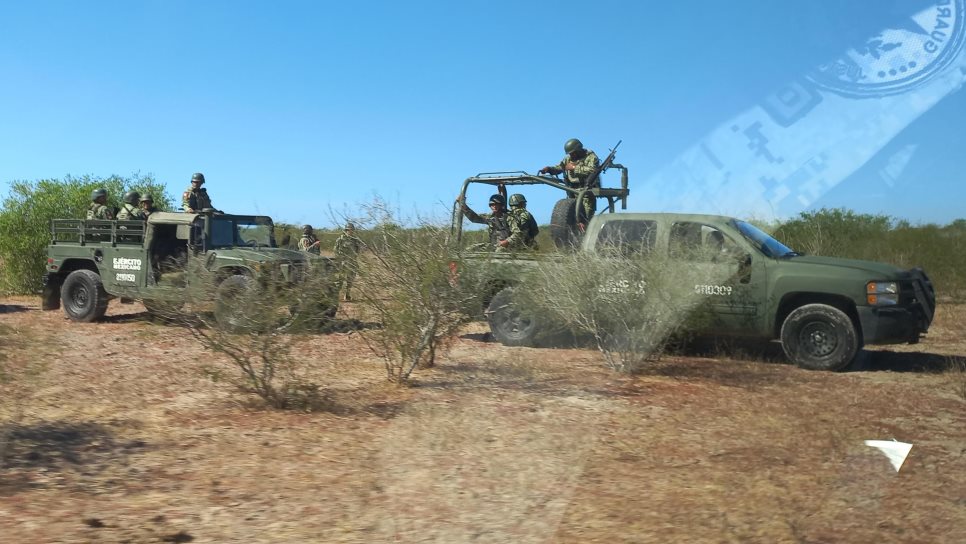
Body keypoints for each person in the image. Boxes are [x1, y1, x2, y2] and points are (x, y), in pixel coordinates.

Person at [538, 138, 601, 228]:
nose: (572, 155)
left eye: (573, 153)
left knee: (586, 218)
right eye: (570, 153)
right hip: (571, 190)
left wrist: (575, 167)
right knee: (571, 217)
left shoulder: (591, 157)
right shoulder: (568, 158)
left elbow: (594, 170)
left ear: (579, 150)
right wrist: (549, 169)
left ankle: (588, 235)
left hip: (586, 190)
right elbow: (560, 168)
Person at [334, 222, 363, 301]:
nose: (351, 231)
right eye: (350, 230)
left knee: (350, 280)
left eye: (352, 230)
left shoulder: (355, 240)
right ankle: (335, 296)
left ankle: (347, 295)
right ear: (346, 230)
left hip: (352, 262)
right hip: (343, 263)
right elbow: (336, 251)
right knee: (340, 280)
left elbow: (358, 250)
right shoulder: (340, 239)